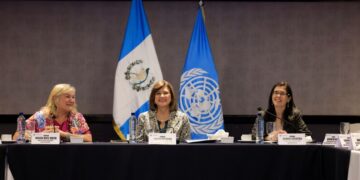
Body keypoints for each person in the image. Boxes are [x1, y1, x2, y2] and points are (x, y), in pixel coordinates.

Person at [13, 84, 92, 142]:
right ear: (55, 99)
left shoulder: (76, 117)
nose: (72, 100)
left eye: (73, 97)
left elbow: (88, 139)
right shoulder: (41, 116)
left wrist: (63, 134)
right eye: (67, 96)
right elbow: (17, 136)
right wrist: (42, 135)